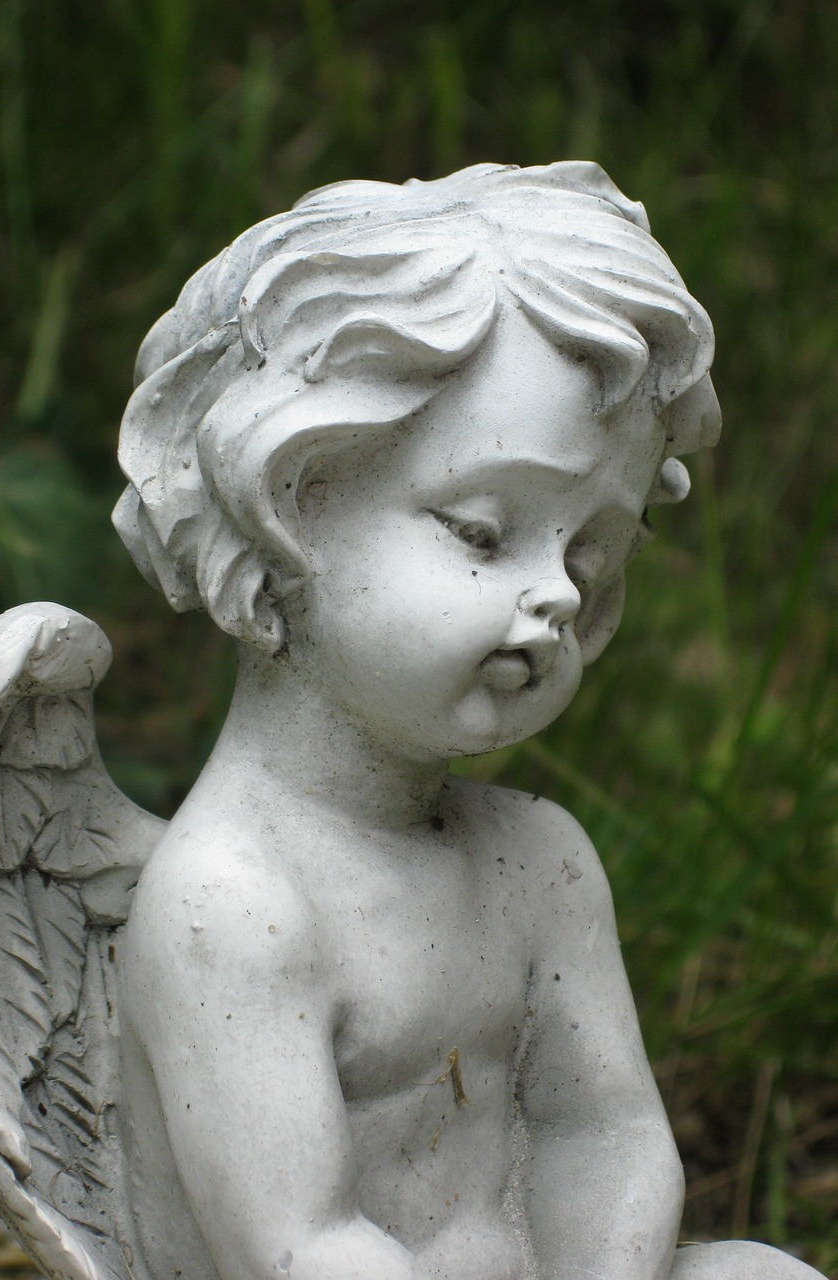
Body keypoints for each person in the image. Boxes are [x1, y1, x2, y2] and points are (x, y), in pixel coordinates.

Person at [114, 164, 822, 1280]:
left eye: (588, 552)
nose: (558, 595)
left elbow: (607, 1133)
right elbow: (299, 1243)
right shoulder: (232, 904)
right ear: (277, 512)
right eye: (485, 531)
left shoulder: (540, 858)